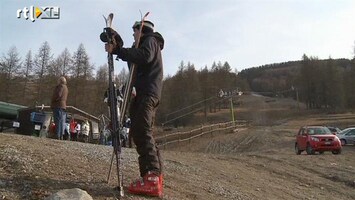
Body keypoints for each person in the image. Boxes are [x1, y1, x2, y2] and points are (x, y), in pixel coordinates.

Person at [102, 19, 164, 197]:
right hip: (143, 93)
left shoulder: (150, 41)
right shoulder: (147, 45)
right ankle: (154, 176)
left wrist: (119, 51)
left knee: (142, 131)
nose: (133, 34)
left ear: (142, 30)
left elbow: (143, 57)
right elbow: (136, 61)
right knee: (140, 132)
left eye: (135, 31)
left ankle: (152, 176)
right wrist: (118, 48)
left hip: (148, 93)